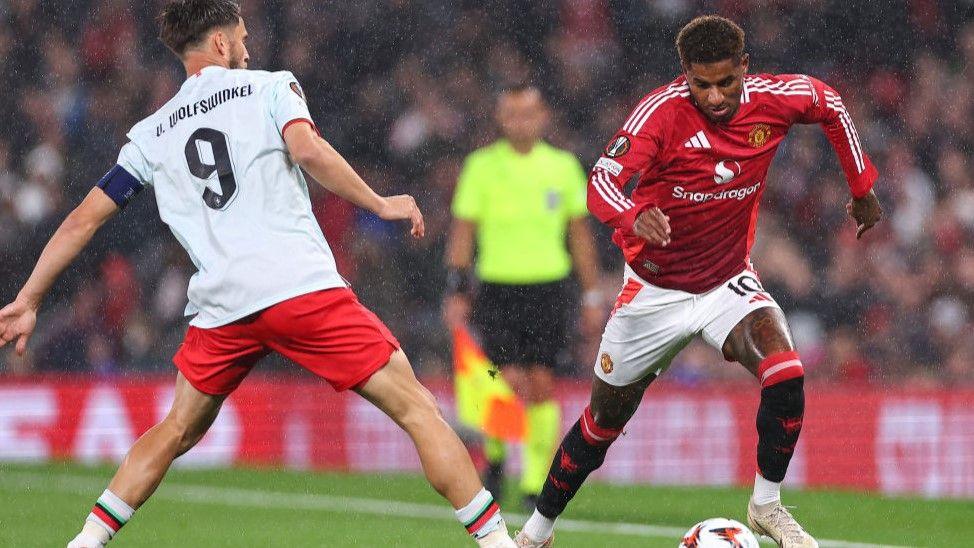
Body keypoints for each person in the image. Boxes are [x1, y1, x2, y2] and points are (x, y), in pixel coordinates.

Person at [0, 2, 516, 547]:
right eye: (242, 38)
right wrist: (379, 202)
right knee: (417, 408)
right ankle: (499, 543)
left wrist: (30, 297)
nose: (247, 48)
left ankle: (85, 542)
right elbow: (306, 148)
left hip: (223, 306)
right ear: (221, 45)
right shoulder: (271, 87)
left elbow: (83, 218)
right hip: (299, 285)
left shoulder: (150, 132)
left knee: (177, 428)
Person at [515, 15, 882, 548]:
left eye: (725, 82)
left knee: (786, 373)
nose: (713, 96)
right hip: (653, 292)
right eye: (701, 84)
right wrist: (631, 215)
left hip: (726, 282)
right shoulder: (660, 113)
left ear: (744, 68)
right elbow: (601, 181)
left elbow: (830, 103)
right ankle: (536, 532)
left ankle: (767, 505)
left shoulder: (776, 99)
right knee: (600, 425)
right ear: (685, 74)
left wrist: (862, 185)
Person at [443, 84, 603, 510]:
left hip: (550, 287)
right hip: (497, 287)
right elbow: (463, 231)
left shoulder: (564, 166)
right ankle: (495, 459)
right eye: (512, 113)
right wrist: (457, 287)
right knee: (503, 378)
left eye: (528, 113)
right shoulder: (481, 166)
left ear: (542, 116)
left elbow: (579, 234)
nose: (520, 121)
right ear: (501, 118)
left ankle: (535, 482)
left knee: (541, 382)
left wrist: (591, 295)